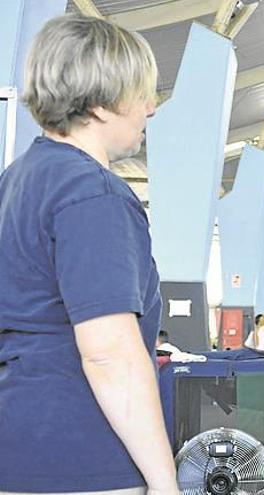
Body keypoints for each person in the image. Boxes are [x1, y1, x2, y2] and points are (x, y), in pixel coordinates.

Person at [0, 14, 178, 494]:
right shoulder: (92, 193)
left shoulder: (17, 181)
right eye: (141, 92)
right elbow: (110, 355)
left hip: (18, 447)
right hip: (81, 459)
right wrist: (166, 484)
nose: (151, 108)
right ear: (101, 104)